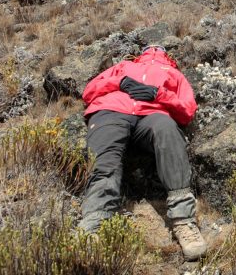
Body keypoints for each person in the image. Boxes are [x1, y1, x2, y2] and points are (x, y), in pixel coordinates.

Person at [77, 45, 207, 260]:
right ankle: (94, 222)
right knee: (104, 159)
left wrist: (159, 93)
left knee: (168, 132)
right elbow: (90, 91)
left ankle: (184, 220)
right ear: (140, 54)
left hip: (153, 114)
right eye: (150, 47)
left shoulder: (174, 74)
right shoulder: (123, 66)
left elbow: (187, 110)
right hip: (111, 111)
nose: (154, 48)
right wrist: (120, 82)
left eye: (159, 48)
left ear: (168, 56)